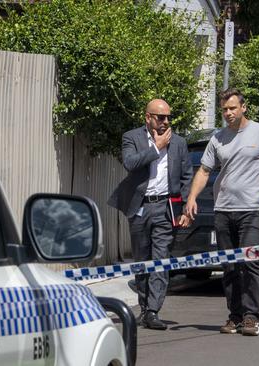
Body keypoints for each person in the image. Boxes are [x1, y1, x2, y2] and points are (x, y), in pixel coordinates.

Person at [184, 88, 259, 336]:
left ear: (243, 107)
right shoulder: (218, 138)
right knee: (229, 266)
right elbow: (204, 171)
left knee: (250, 263)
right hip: (223, 210)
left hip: (252, 210)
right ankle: (235, 315)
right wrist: (191, 198)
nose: (228, 113)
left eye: (232, 108)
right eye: (224, 109)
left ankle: (251, 316)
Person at [108, 99, 193, 330]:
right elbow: (130, 163)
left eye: (168, 117)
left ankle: (154, 310)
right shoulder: (132, 138)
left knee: (160, 259)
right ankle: (144, 308)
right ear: (148, 117)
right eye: (160, 117)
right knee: (141, 260)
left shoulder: (179, 143)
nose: (165, 122)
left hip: (165, 208)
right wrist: (156, 148)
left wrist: (186, 207)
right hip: (140, 207)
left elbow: (187, 175)